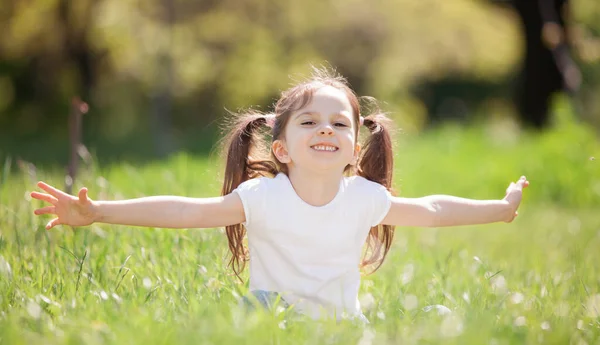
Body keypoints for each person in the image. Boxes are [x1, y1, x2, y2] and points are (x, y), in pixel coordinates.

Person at [31, 68, 529, 322]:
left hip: (340, 326)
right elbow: (185, 211)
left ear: (354, 150)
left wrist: (502, 209)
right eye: (309, 122)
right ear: (282, 149)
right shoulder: (262, 197)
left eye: (338, 123)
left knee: (439, 318)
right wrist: (98, 213)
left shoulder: (363, 197)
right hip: (267, 318)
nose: (325, 130)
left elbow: (434, 209)